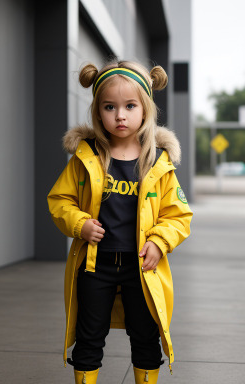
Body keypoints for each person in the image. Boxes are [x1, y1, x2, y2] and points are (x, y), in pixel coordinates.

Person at [47, 58, 193, 384]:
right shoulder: (86, 157)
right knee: (89, 336)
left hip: (141, 268)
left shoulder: (158, 162)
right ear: (98, 111)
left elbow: (178, 214)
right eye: (110, 107)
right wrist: (79, 223)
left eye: (130, 106)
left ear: (146, 110)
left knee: (145, 336)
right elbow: (59, 200)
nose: (120, 115)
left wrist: (159, 241)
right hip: (94, 266)